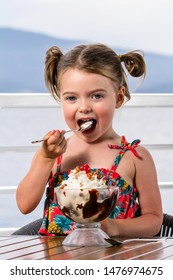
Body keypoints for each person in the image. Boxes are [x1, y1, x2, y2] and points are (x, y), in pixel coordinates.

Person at [16, 43, 163, 237]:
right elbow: (24, 205)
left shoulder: (135, 157)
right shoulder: (55, 154)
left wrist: (116, 228)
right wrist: (45, 158)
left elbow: (153, 220)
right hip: (57, 263)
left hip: (117, 262)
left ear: (118, 98)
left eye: (96, 96)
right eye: (71, 98)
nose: (83, 107)